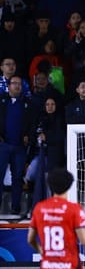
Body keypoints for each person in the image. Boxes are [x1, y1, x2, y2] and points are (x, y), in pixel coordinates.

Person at [0, 75, 35, 215]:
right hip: (3, 145)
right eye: (14, 83)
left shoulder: (28, 103)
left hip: (20, 147)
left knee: (18, 177)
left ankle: (16, 207)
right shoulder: (1, 101)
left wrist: (28, 136)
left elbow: (32, 124)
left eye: (19, 84)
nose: (17, 86)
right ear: (8, 86)